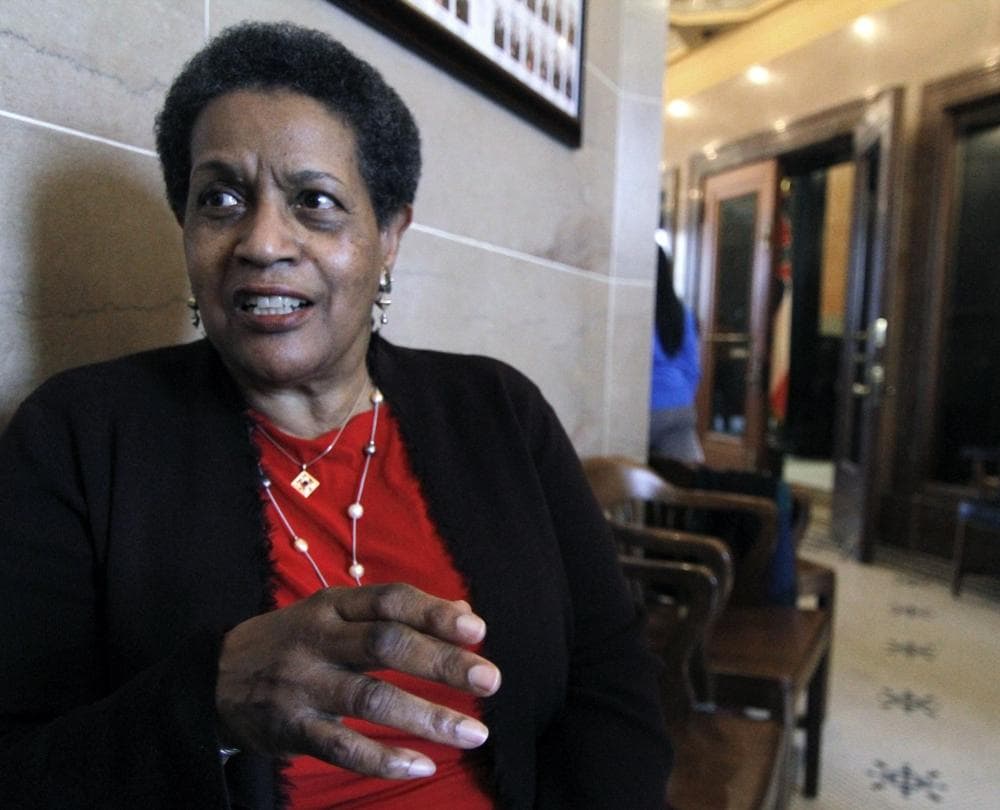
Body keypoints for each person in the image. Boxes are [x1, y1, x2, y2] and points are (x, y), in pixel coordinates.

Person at [0, 21, 670, 809]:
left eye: (315, 202)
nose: (261, 241)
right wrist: (206, 702)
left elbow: (614, 691)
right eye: (219, 198)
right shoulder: (78, 437)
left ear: (389, 237)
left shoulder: (498, 412)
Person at [649, 246, 705, 462]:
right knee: (685, 479)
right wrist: (680, 396)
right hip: (679, 405)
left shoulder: (633, 309)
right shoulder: (681, 312)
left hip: (643, 409)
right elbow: (693, 368)